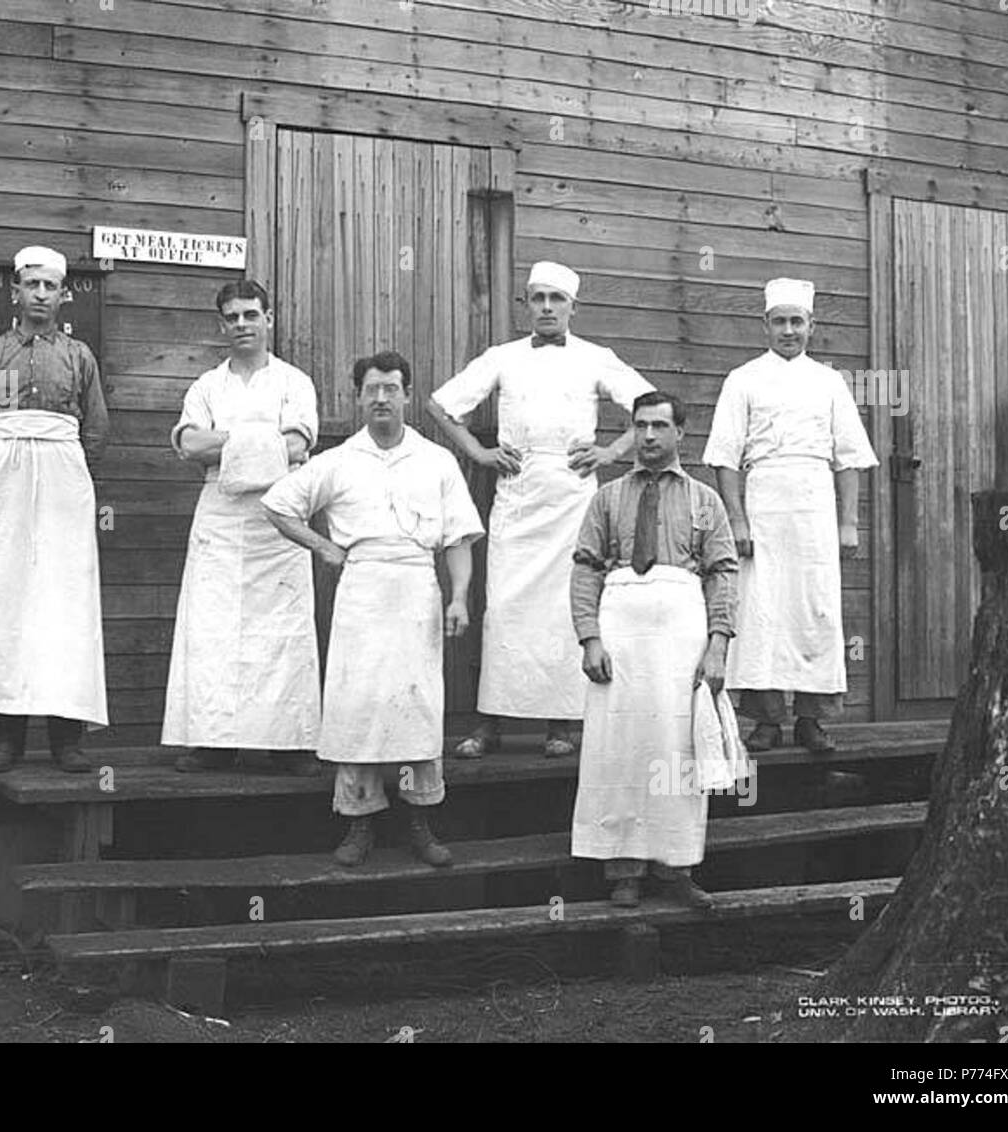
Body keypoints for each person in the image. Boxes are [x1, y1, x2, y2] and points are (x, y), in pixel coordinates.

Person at [262, 351, 484, 867]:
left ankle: (418, 822)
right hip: (361, 595)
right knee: (358, 706)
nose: (381, 398)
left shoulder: (436, 460)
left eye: (391, 388)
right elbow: (277, 505)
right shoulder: (338, 461)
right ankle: (359, 823)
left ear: (407, 394)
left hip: (415, 593)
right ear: (357, 396)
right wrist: (322, 547)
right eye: (372, 390)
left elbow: (458, 538)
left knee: (416, 707)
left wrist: (458, 596)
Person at [427, 261, 654, 759]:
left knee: (565, 606)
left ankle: (561, 724)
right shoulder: (503, 357)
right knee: (506, 608)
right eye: (538, 298)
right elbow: (440, 406)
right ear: (527, 305)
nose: (547, 307)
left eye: (557, 299)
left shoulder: (597, 358)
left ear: (574, 306)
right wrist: (479, 453)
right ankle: (491, 721)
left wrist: (612, 453)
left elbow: (650, 407)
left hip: (573, 499)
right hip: (518, 495)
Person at [569, 391, 738, 907]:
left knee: (675, 748)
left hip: (679, 636)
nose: (647, 437)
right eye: (640, 426)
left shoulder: (704, 501)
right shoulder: (607, 497)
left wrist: (717, 648)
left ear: (679, 433)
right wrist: (590, 636)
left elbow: (723, 573)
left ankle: (676, 866)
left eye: (659, 426)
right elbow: (585, 566)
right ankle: (622, 870)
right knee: (618, 748)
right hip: (621, 634)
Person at [703, 278, 879, 753]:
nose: (788, 330)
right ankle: (765, 720)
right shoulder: (742, 379)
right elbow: (724, 457)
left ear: (811, 326)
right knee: (760, 611)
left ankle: (812, 719)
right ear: (765, 325)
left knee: (814, 609)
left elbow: (849, 456)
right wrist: (737, 520)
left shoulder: (828, 382)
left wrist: (848, 521)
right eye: (779, 321)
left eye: (796, 321)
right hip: (763, 504)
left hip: (815, 507)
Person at [162, 280, 322, 774]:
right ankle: (213, 742)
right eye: (232, 318)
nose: (242, 325)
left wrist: (225, 441)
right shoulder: (207, 386)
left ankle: (288, 743)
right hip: (220, 516)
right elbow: (189, 445)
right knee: (213, 628)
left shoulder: (294, 382)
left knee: (282, 628)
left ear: (269, 319)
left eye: (251, 315)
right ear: (221, 325)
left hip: (279, 520)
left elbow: (297, 447)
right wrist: (259, 440)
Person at [0, 245, 110, 774]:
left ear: (64, 294)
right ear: (16, 291)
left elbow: (95, 428)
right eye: (32, 286)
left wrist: (64, 475)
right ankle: (7, 739)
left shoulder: (79, 356)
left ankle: (66, 740)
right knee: (7, 601)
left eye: (51, 287)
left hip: (62, 480)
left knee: (64, 603)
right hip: (4, 478)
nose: (41, 295)